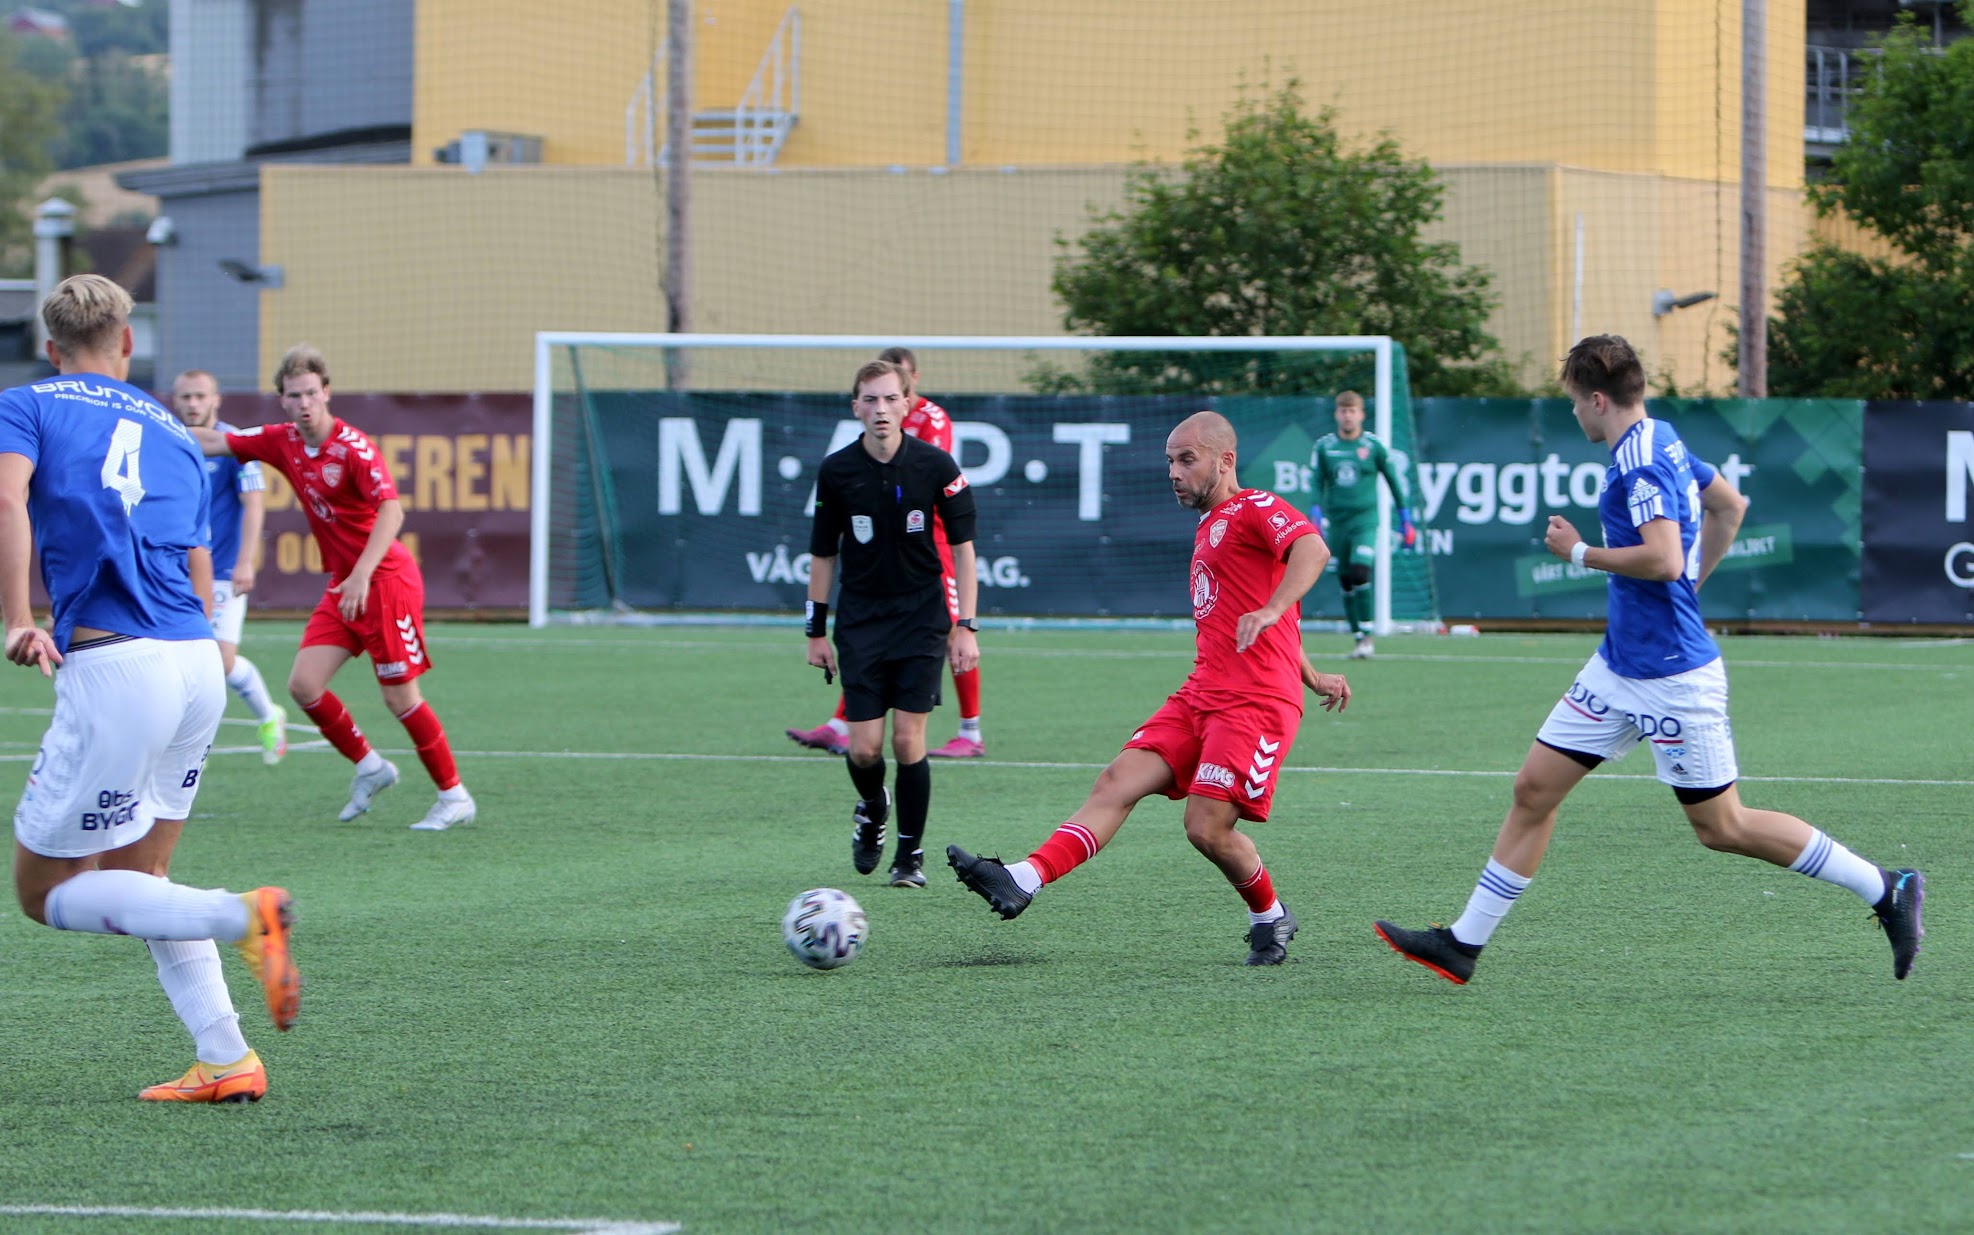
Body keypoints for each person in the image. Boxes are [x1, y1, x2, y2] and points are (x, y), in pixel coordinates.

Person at [1373, 335, 1924, 985]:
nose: (1572, 413)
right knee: (1533, 790)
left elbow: (1663, 558)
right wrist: (1693, 585)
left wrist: (1579, 553)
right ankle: (1463, 944)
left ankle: (1886, 887)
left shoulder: (1639, 460)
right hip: (1617, 666)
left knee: (1722, 826)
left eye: (1573, 401)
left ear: (1597, 399)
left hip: (1672, 677)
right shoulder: (1661, 436)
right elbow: (1730, 506)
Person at [0, 274, 299, 1103]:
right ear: (128, 343)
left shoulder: (25, 404)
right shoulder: (172, 427)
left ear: (51, 349)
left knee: (44, 893)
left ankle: (241, 915)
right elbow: (199, 555)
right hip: (196, 661)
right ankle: (227, 1057)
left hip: (118, 667)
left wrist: (17, 617)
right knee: (145, 877)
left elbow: (6, 499)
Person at [947, 410, 1352, 965]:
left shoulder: (1255, 506)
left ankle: (1270, 915)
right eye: (1169, 461)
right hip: (1201, 693)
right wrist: (1314, 673)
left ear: (1225, 460)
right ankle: (1023, 877)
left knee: (1206, 828)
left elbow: (1313, 549)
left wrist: (1273, 608)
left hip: (1255, 703)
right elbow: (1257, 618)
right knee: (1117, 780)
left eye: (1187, 460)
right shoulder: (1209, 524)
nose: (1174, 472)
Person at [188, 344, 476, 832]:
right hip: (346, 584)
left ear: (326, 393)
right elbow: (215, 441)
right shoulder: (281, 440)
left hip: (385, 581)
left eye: (311, 393)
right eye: (294, 395)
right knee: (303, 685)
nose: (304, 403)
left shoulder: (353, 448)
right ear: (282, 400)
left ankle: (454, 796)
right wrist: (148, 429)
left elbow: (392, 512)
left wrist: (361, 574)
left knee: (400, 698)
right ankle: (371, 768)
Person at [805, 358, 980, 888]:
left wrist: (966, 625)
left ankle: (910, 856)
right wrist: (815, 631)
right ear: (855, 408)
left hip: (921, 618)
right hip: (860, 620)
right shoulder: (836, 470)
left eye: (890, 398)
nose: (880, 409)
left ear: (907, 404)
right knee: (862, 748)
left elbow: (964, 549)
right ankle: (873, 806)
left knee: (907, 741)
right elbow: (822, 554)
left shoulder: (936, 465)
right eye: (870, 400)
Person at [788, 346, 989, 758]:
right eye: (873, 396)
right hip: (888, 544)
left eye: (899, 383)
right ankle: (842, 724)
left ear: (913, 382)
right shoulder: (846, 457)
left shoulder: (931, 419)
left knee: (955, 630)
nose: (883, 404)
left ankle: (970, 731)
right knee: (868, 640)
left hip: (931, 542)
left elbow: (921, 477)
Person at [170, 369, 289, 765]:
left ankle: (269, 715)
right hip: (176, 571)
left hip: (221, 570)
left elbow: (254, 502)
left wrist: (245, 562)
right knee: (174, 657)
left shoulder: (233, 442)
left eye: (200, 396)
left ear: (216, 400)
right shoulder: (168, 439)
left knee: (219, 661)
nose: (193, 404)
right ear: (175, 400)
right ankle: (178, 744)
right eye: (186, 396)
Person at [1309, 389, 1417, 660]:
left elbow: (1394, 481)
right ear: (1337, 414)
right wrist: (1315, 513)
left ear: (1361, 415)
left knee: (1360, 571)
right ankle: (1359, 636)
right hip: (1338, 522)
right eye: (1343, 411)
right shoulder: (1325, 447)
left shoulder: (1374, 446)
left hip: (1365, 520)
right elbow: (1316, 482)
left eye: (1352, 411)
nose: (1348, 416)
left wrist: (1405, 518)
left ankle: (1367, 636)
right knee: (1346, 580)